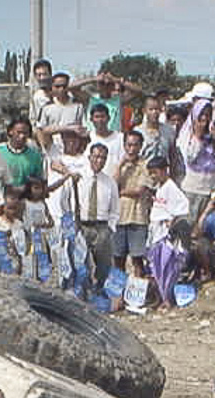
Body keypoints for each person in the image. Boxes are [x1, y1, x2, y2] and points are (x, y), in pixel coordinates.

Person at [178, 98, 215, 220]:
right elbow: (189, 157)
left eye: (208, 115)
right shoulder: (188, 134)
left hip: (213, 190)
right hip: (193, 190)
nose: (204, 119)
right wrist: (198, 136)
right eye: (201, 115)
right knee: (190, 228)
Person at [75, 142, 118, 294]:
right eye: (96, 156)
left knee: (103, 262)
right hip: (82, 225)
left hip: (101, 227)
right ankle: (83, 290)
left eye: (103, 158)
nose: (99, 161)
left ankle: (99, 289)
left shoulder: (110, 182)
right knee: (81, 260)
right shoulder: (79, 177)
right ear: (90, 157)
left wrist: (110, 228)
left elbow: (114, 209)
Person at [113, 129, 151, 276]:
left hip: (138, 217)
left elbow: (139, 191)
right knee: (118, 259)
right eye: (128, 145)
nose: (131, 149)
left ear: (140, 146)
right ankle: (119, 293)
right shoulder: (118, 165)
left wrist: (120, 192)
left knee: (137, 259)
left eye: (135, 145)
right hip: (119, 217)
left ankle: (138, 294)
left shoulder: (145, 165)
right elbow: (112, 185)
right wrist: (120, 165)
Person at [37, 71, 85, 153]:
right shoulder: (46, 107)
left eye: (64, 86)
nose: (61, 89)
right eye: (57, 86)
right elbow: (42, 130)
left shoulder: (78, 106)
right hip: (52, 149)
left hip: (73, 150)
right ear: (52, 87)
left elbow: (82, 129)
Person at [0, 118, 44, 189]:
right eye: (19, 132)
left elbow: (39, 180)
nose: (22, 136)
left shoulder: (35, 156)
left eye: (25, 133)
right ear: (10, 132)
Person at [86, 103, 124, 180]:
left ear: (109, 118)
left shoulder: (120, 137)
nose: (100, 120)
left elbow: (123, 160)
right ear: (91, 119)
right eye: (97, 117)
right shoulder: (87, 138)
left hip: (114, 181)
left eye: (103, 116)